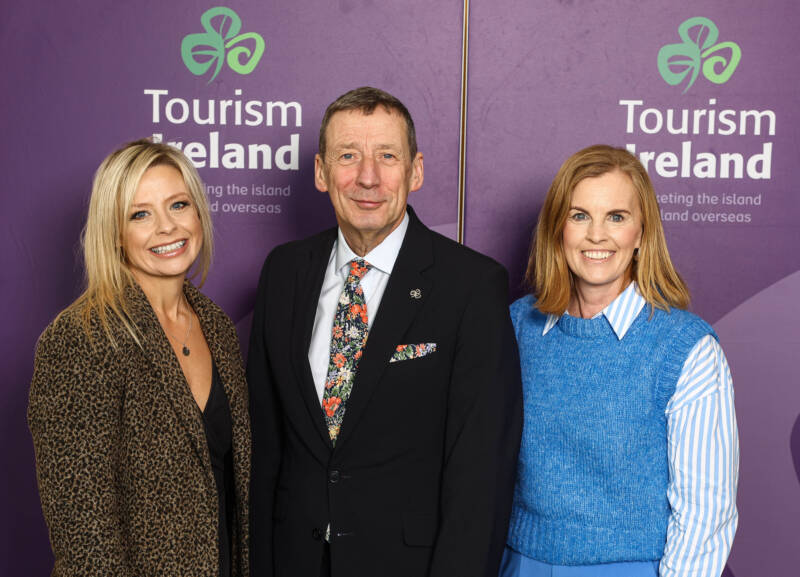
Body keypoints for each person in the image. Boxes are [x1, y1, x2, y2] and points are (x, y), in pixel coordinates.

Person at [247, 86, 523, 577]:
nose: (367, 177)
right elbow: (264, 450)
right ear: (321, 171)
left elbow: (481, 474)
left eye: (387, 156)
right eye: (348, 155)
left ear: (415, 170)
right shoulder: (284, 273)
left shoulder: (471, 285)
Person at [503, 145, 739, 577]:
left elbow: (707, 510)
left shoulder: (684, 347)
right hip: (519, 564)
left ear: (642, 233)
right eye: (579, 216)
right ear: (558, 229)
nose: (597, 235)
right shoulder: (516, 326)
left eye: (616, 216)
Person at [28, 139, 251, 577]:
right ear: (114, 232)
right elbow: (84, 534)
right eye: (140, 214)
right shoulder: (82, 338)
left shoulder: (217, 327)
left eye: (178, 205)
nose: (167, 227)